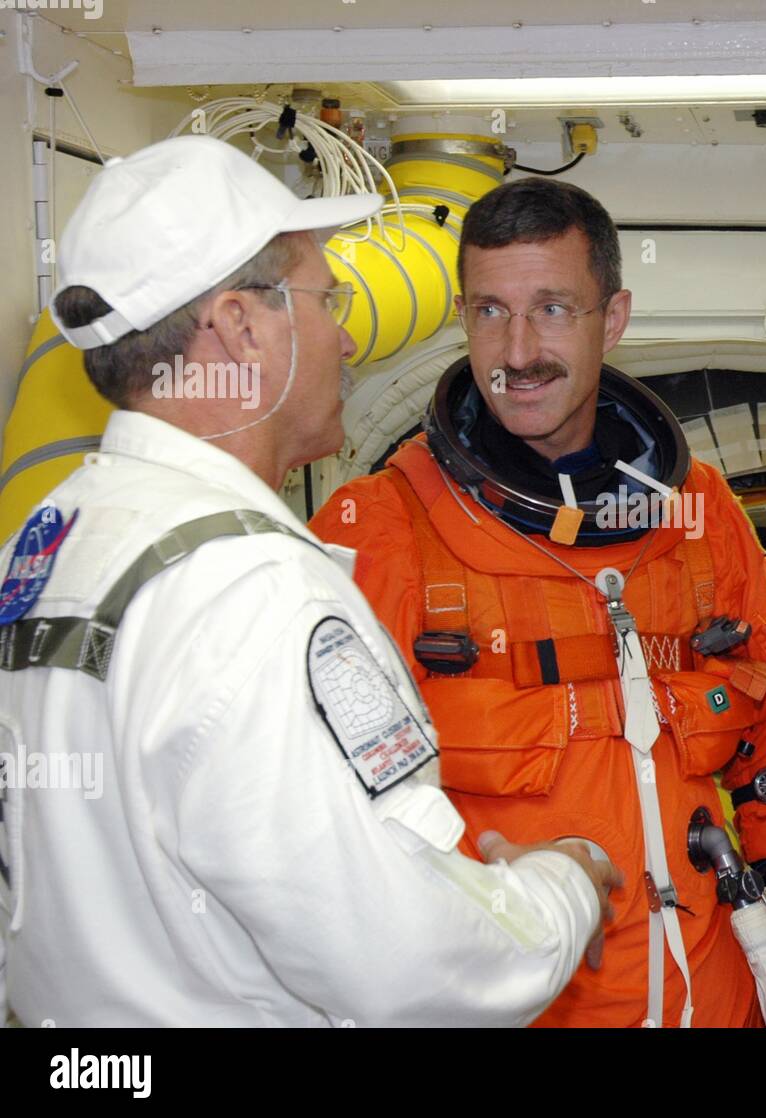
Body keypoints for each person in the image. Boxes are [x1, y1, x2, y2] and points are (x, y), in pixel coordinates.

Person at [0, 135, 617, 1027]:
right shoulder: (248, 585)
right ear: (241, 326)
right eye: (326, 300)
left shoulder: (46, 546)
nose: (348, 333)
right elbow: (402, 964)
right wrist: (563, 886)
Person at [310, 177, 766, 1027]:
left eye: (553, 309)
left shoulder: (698, 510)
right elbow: (326, 816)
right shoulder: (384, 526)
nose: (518, 350)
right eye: (491, 311)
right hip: (513, 1003)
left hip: (710, 994)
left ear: (614, 317)